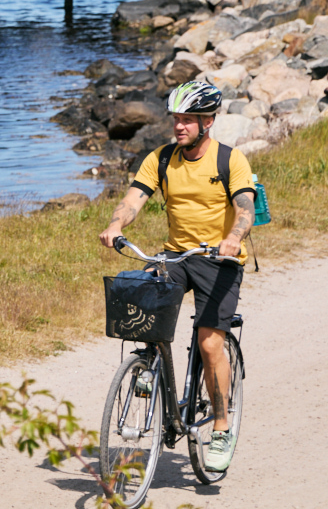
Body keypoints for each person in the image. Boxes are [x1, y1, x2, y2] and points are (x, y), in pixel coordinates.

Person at [98, 76, 255, 469]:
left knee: (209, 344)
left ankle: (220, 429)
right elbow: (134, 199)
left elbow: (246, 208)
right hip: (177, 254)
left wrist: (233, 237)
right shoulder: (162, 158)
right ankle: (149, 367)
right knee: (142, 307)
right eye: (176, 119)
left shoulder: (229, 159)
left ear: (208, 122)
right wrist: (117, 224)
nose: (179, 126)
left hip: (219, 260)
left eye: (188, 119)